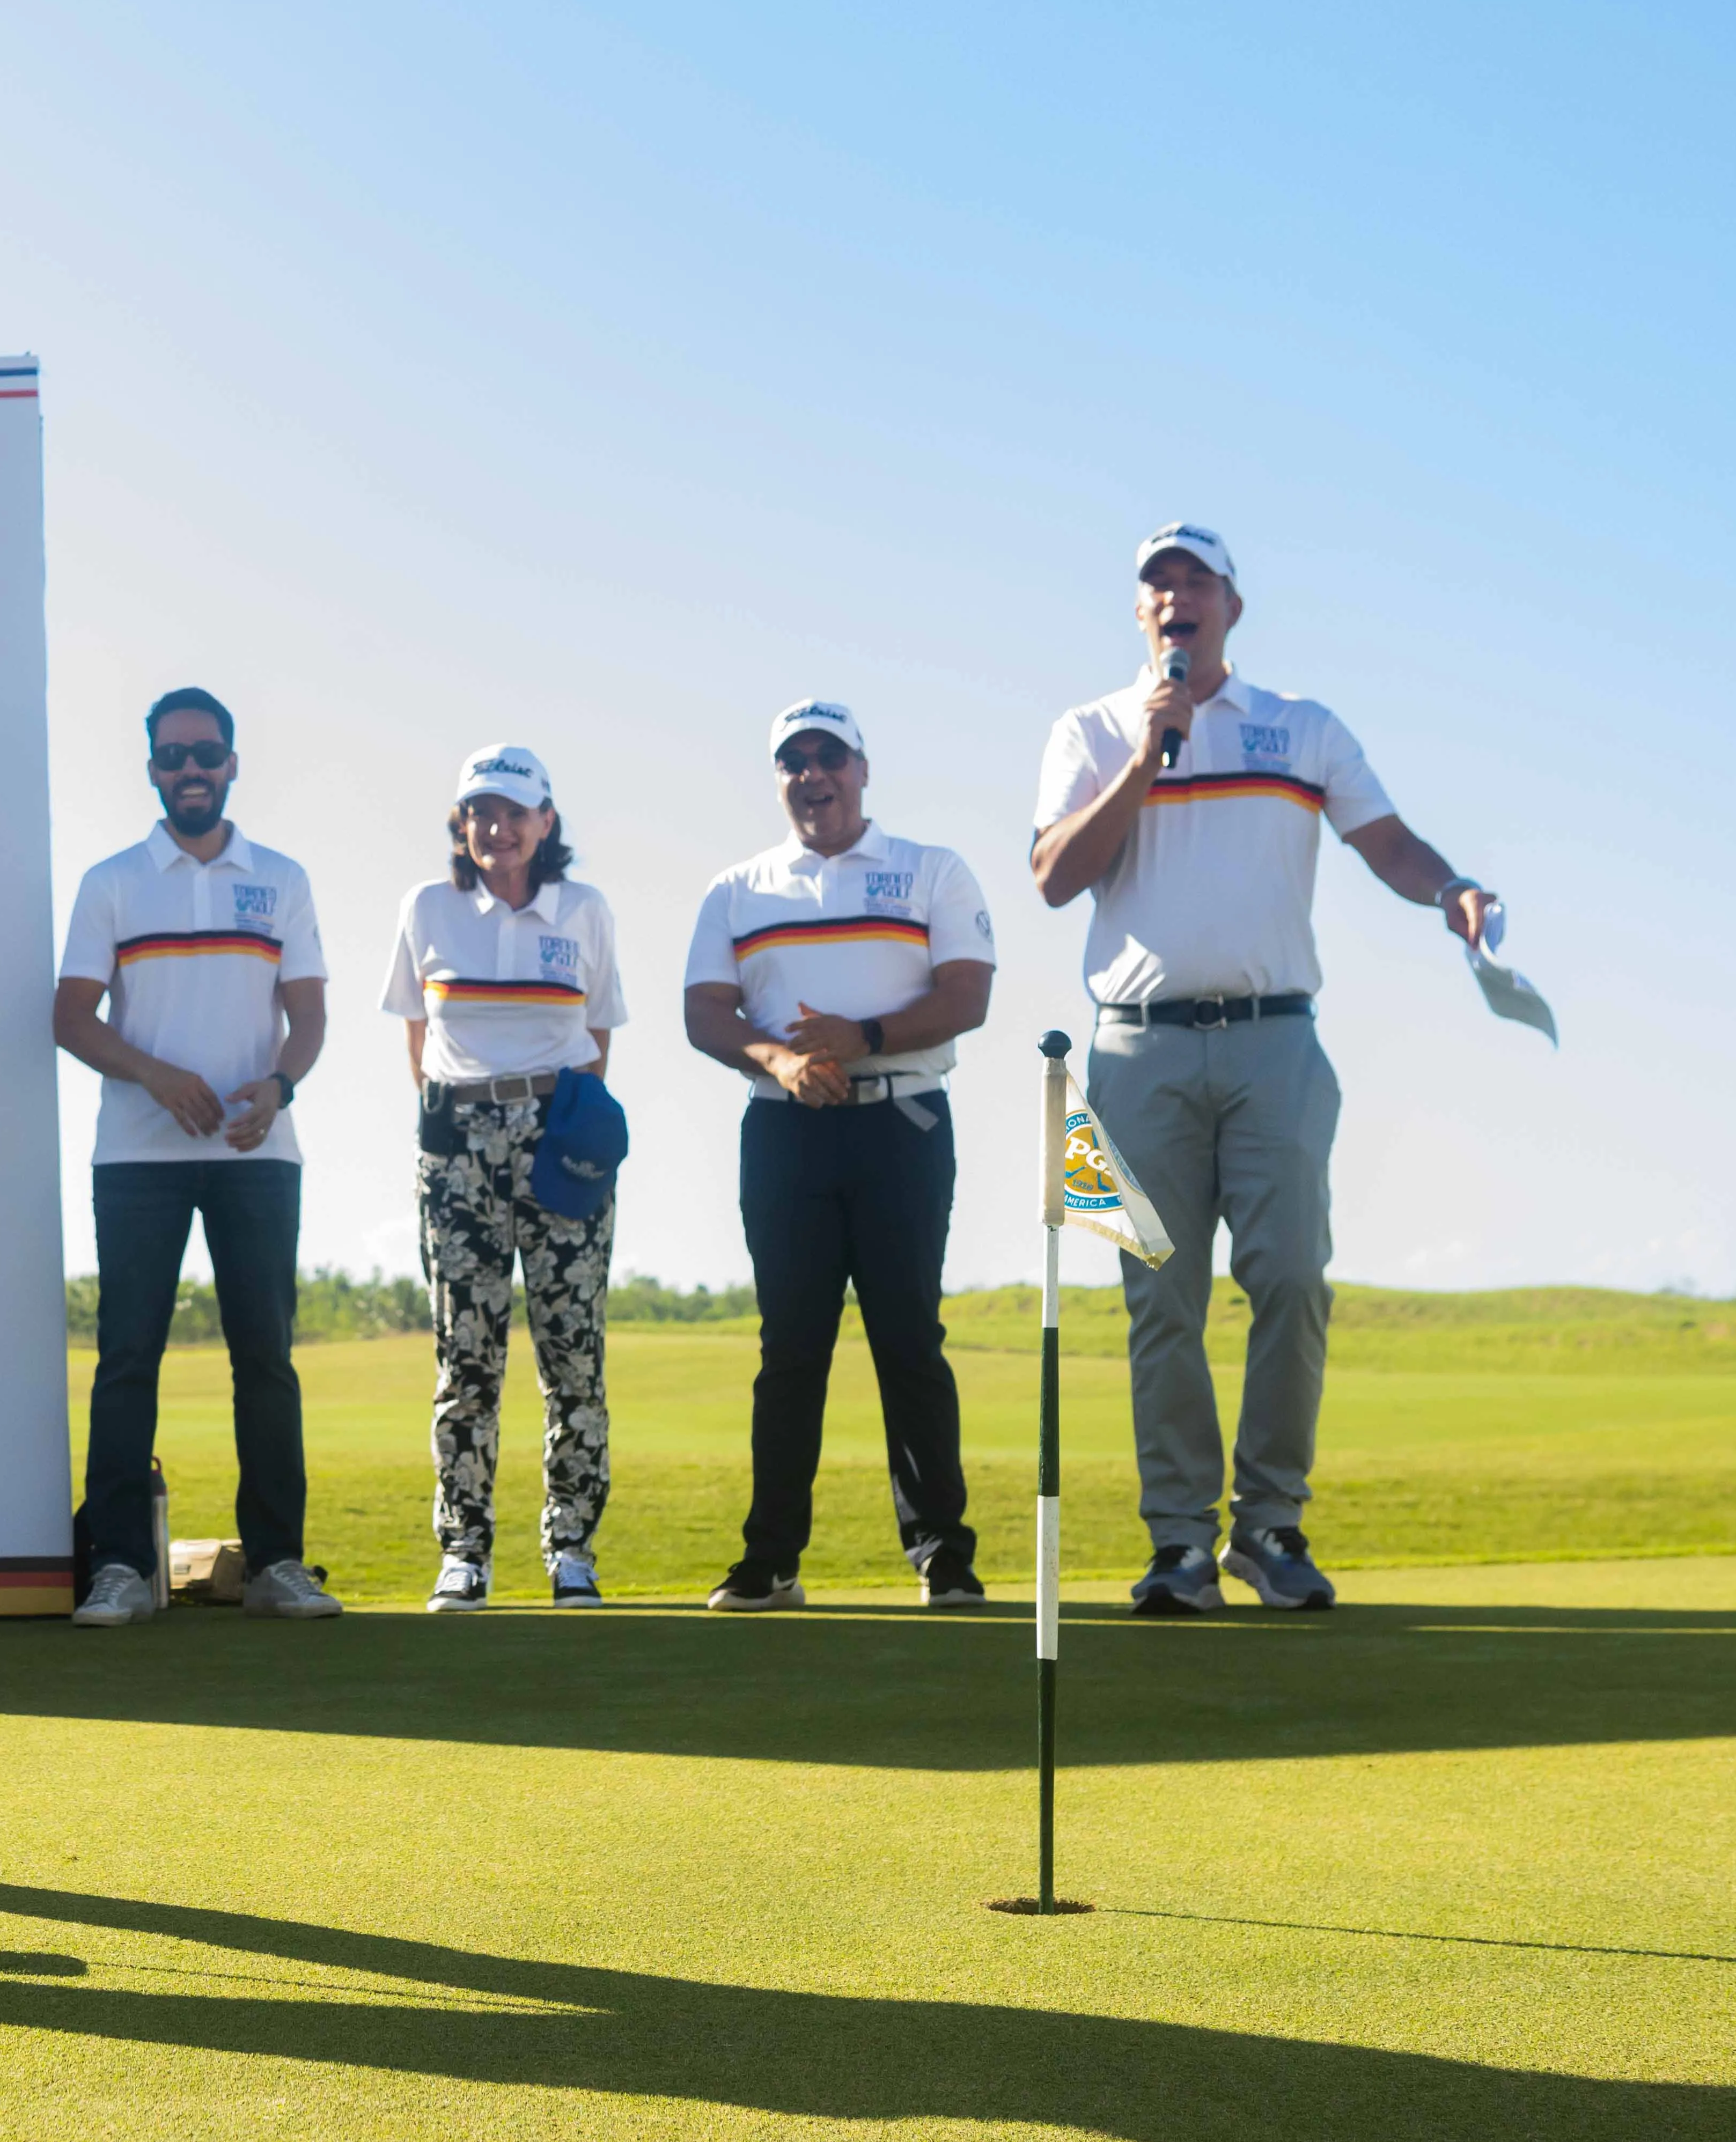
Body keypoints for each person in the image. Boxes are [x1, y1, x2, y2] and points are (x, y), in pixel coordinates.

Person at [1032, 524, 1499, 1616]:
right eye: (1157, 585)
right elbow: (1055, 877)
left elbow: (1388, 844)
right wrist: (1147, 758)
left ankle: (1270, 1525)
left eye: (1194, 581)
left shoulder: (1302, 727)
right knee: (1160, 1301)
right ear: (1140, 615)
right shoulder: (1094, 730)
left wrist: (1453, 890)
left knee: (1291, 1275)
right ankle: (1180, 1543)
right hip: (1132, 1047)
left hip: (1277, 1041)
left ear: (1232, 606)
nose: (1174, 598)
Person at [682, 698, 994, 1613]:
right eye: (794, 762)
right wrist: (782, 1058)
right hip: (786, 1130)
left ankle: (942, 1552)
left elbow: (967, 996)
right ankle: (770, 1561)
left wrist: (861, 1036)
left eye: (829, 758)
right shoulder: (737, 889)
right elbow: (706, 1012)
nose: (812, 776)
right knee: (792, 1350)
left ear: (861, 770)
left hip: (901, 1124)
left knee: (908, 1339)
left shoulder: (930, 869)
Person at [54, 688, 337, 1626]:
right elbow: (70, 1018)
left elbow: (310, 1017)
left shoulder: (282, 878)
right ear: (151, 771)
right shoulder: (115, 881)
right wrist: (157, 1076)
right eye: (173, 757)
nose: (190, 771)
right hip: (138, 1157)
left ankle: (277, 1564)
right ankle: (122, 1568)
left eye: (205, 755)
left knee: (267, 1359)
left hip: (259, 1152)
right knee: (128, 1357)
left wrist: (280, 1088)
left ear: (231, 765)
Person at [381, 744, 626, 1614]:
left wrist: (558, 1128)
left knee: (573, 1355)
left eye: (515, 812)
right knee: (466, 1358)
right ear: (461, 823)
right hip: (458, 1144)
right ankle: (465, 1552)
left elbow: (599, 1038)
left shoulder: (584, 910)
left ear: (546, 822)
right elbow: (418, 1037)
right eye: (480, 811)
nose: (497, 827)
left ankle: (572, 1549)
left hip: (558, 1132)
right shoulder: (429, 909)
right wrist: (462, 1125)